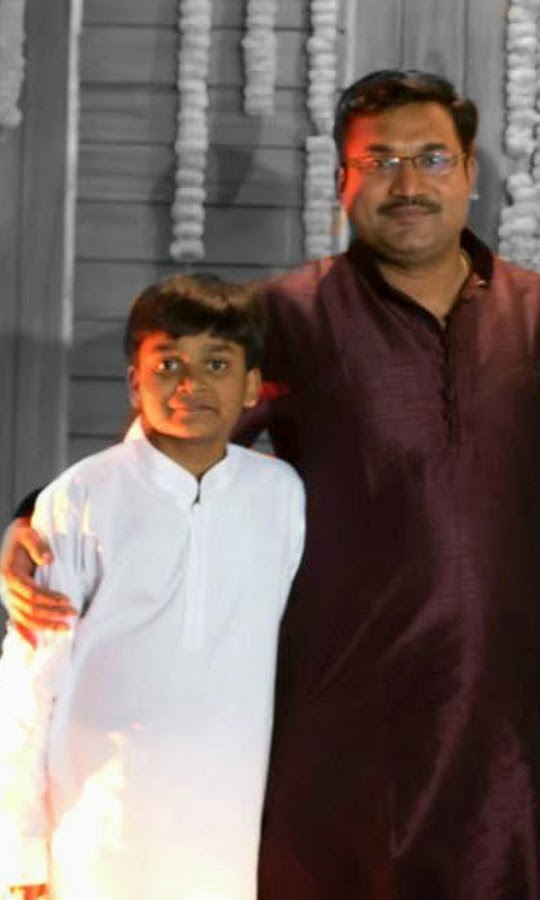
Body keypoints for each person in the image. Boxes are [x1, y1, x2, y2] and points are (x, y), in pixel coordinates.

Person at [3, 71, 540, 899]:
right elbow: (165, 454)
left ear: (469, 170)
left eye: (430, 159)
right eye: (378, 162)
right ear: (341, 178)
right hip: (338, 704)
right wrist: (36, 527)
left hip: (504, 707)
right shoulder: (289, 315)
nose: (407, 184)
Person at [0, 274, 306, 899]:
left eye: (216, 364)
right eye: (167, 365)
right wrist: (18, 852)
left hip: (228, 830)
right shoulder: (81, 496)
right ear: (134, 382)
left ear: (252, 386)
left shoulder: (280, 496)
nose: (190, 385)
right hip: (98, 826)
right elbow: (29, 685)